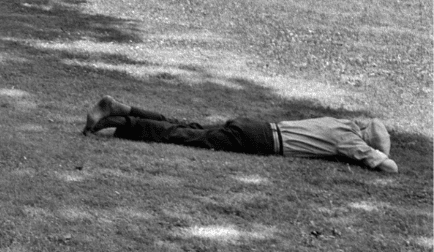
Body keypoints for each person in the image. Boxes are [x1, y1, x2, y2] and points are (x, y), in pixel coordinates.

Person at [82, 95, 398, 173]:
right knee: (185, 136)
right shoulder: (350, 141)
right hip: (261, 142)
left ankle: (124, 109)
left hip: (257, 127)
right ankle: (122, 123)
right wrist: (377, 156)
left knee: (188, 127)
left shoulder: (339, 123)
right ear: (367, 139)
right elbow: (386, 166)